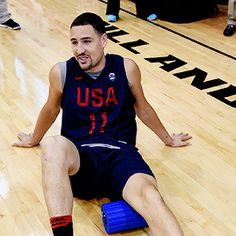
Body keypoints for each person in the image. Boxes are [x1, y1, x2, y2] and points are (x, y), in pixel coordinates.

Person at [13, 12, 192, 236]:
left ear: (103, 40)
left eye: (87, 41)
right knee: (53, 145)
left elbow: (142, 107)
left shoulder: (126, 68)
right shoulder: (62, 72)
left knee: (151, 196)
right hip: (83, 159)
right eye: (74, 42)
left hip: (122, 155)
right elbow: (50, 109)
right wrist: (34, 138)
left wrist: (168, 139)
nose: (80, 50)